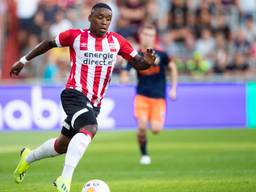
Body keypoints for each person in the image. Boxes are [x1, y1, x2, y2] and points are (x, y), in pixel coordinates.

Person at [10, 3, 156, 192]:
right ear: (90, 18)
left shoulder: (117, 42)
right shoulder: (75, 36)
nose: (104, 22)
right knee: (90, 127)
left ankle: (27, 158)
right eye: (100, 17)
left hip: (94, 103)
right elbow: (48, 43)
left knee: (62, 145)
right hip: (74, 94)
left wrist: (148, 63)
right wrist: (23, 61)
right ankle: (65, 180)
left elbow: (138, 63)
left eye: (108, 19)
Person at [120, 23, 178, 165]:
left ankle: (145, 147)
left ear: (154, 37)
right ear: (141, 36)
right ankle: (144, 154)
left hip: (158, 97)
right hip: (142, 96)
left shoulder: (162, 54)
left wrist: (173, 88)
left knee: (156, 129)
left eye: (151, 35)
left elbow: (172, 68)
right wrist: (125, 78)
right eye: (145, 34)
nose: (148, 37)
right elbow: (124, 73)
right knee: (141, 126)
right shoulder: (135, 55)